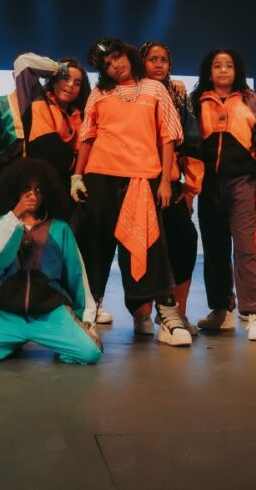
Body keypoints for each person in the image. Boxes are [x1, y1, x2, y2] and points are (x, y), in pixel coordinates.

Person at [73, 36, 191, 346]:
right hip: (100, 176)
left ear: (127, 54)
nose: (115, 66)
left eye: (117, 57)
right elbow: (87, 135)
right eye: (107, 64)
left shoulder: (154, 88)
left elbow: (168, 136)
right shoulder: (99, 93)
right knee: (95, 245)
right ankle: (88, 313)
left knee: (150, 246)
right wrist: (77, 176)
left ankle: (165, 314)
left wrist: (164, 180)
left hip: (142, 178)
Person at [0, 159, 102, 364]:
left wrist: (86, 322)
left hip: (50, 313)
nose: (32, 194)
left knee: (90, 352)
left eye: (39, 189)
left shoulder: (60, 229)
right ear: (15, 191)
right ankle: (10, 343)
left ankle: (55, 342)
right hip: (8, 313)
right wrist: (16, 214)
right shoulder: (2, 225)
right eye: (26, 189)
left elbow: (77, 276)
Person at [191, 48, 256, 341]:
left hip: (244, 183)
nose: (223, 70)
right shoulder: (197, 100)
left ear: (237, 70)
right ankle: (221, 310)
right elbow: (188, 143)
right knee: (214, 249)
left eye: (228, 65)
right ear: (209, 71)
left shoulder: (251, 100)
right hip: (209, 185)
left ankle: (255, 313)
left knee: (246, 248)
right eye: (217, 65)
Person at [130, 41, 202, 334]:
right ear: (141, 62)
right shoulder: (130, 92)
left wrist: (190, 189)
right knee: (141, 246)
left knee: (185, 240)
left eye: (164, 60)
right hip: (135, 181)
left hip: (169, 185)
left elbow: (193, 145)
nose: (159, 64)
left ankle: (176, 313)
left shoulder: (179, 95)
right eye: (152, 59)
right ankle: (141, 313)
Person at [0, 53, 88, 230]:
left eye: (77, 83)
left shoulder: (78, 117)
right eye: (65, 78)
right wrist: (59, 68)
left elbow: (80, 155)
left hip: (54, 192)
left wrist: (75, 175)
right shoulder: (37, 100)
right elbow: (23, 62)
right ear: (53, 80)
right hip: (12, 183)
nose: (70, 85)